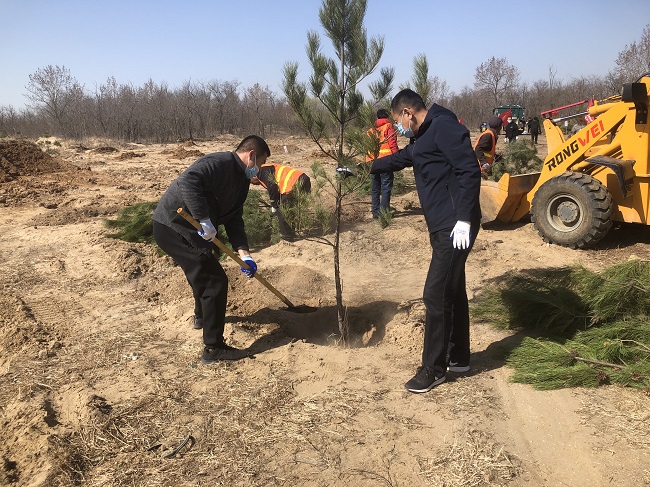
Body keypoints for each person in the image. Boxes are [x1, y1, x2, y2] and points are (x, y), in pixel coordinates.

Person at [370, 89, 481, 394]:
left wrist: (464, 219)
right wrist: (364, 167)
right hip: (443, 225)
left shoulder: (444, 127)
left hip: (454, 226)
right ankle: (458, 357)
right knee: (453, 289)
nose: (399, 127)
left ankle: (433, 369)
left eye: (398, 121)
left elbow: (469, 171)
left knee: (434, 294)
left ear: (408, 112)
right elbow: (402, 158)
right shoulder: (421, 138)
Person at [152, 135, 271, 365]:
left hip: (191, 231)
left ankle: (201, 317)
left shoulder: (242, 182)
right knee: (215, 282)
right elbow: (188, 181)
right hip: (173, 226)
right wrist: (204, 218)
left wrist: (244, 253)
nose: (260, 169)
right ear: (252, 156)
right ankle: (213, 348)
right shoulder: (219, 162)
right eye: (261, 163)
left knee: (204, 268)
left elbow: (235, 219)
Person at [252, 163, 311, 239]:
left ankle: (287, 236)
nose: (253, 184)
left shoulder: (259, 171)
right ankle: (292, 232)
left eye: (251, 181)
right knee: (291, 208)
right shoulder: (265, 169)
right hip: (303, 179)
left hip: (293, 183)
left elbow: (272, 186)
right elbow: (276, 190)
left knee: (282, 210)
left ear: (253, 176)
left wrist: (274, 205)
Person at [365, 108, 399, 218]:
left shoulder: (370, 130)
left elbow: (366, 148)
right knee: (386, 187)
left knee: (375, 188)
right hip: (385, 161)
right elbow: (393, 144)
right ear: (387, 117)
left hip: (372, 162)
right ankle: (383, 214)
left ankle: (375, 213)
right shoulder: (388, 127)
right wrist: (397, 159)